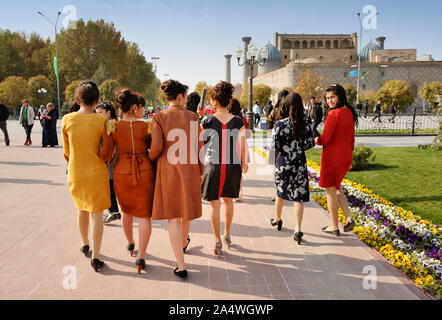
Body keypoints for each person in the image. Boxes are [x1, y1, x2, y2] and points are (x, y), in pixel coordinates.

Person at [149, 80, 204, 279]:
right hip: (189, 169)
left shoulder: (159, 117)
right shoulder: (192, 116)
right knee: (186, 213)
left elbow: (155, 147)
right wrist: (201, 171)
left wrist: (151, 159)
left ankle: (180, 264)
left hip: (168, 170)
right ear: (180, 96)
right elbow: (200, 148)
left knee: (173, 216)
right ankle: (183, 244)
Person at [100, 91, 154, 274]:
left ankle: (130, 243)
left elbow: (106, 154)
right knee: (145, 215)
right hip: (144, 170)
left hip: (121, 171)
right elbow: (154, 150)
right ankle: (142, 256)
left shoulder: (112, 126)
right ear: (134, 107)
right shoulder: (147, 126)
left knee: (126, 211)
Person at [61, 80, 110, 272]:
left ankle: (84, 243)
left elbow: (66, 151)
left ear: (77, 99)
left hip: (76, 170)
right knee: (96, 214)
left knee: (81, 208)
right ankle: (96, 256)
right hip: (97, 171)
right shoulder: (102, 121)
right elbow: (107, 150)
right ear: (97, 101)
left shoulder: (67, 119)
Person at [201, 81, 248, 257]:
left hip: (212, 165)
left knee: (214, 204)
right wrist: (244, 163)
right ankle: (227, 233)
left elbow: (200, 143)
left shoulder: (207, 120)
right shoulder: (238, 121)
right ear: (229, 101)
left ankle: (217, 239)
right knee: (228, 201)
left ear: (213, 101)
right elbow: (242, 144)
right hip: (232, 165)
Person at [270, 92, 315, 244]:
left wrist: (274, 162)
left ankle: (277, 219)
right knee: (298, 197)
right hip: (299, 163)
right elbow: (310, 143)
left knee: (280, 192)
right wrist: (298, 148)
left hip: (283, 162)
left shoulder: (279, 124)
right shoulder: (305, 124)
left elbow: (274, 147)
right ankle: (298, 229)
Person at [315, 84, 357, 236]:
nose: (330, 101)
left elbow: (325, 138)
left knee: (330, 191)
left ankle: (334, 226)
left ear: (339, 97)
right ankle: (348, 218)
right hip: (345, 156)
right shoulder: (349, 112)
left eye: (332, 97)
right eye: (327, 98)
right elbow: (352, 138)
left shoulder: (334, 114)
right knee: (337, 188)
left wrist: (316, 140)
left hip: (332, 158)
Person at [95, 102, 121, 225]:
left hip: (111, 158)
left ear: (108, 112)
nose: (98, 115)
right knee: (110, 186)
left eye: (100, 112)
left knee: (109, 185)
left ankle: (113, 212)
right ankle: (113, 211)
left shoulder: (110, 124)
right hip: (113, 158)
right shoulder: (112, 122)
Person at [268, 90, 290, 202]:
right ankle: (282, 192)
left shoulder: (275, 110)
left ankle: (278, 192)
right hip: (288, 144)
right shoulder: (290, 109)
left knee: (276, 170)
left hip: (276, 143)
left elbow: (268, 124)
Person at [228, 98, 251, 202]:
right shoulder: (242, 119)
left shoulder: (227, 118)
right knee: (239, 171)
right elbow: (248, 135)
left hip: (230, 146)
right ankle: (239, 192)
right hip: (241, 145)